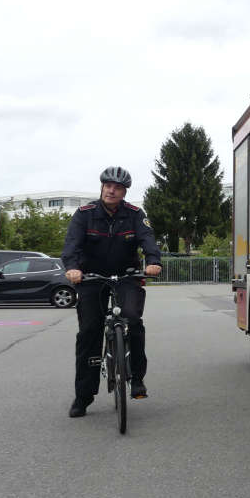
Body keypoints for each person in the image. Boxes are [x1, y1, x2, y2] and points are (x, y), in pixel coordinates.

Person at [62, 166, 162, 418]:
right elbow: (72, 244)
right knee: (88, 333)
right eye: (108, 186)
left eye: (117, 188)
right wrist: (72, 268)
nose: (111, 190)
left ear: (124, 191)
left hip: (127, 276)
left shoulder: (135, 214)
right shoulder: (84, 214)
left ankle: (137, 379)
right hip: (91, 278)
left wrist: (153, 261)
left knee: (133, 321)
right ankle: (83, 396)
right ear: (102, 187)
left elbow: (148, 240)